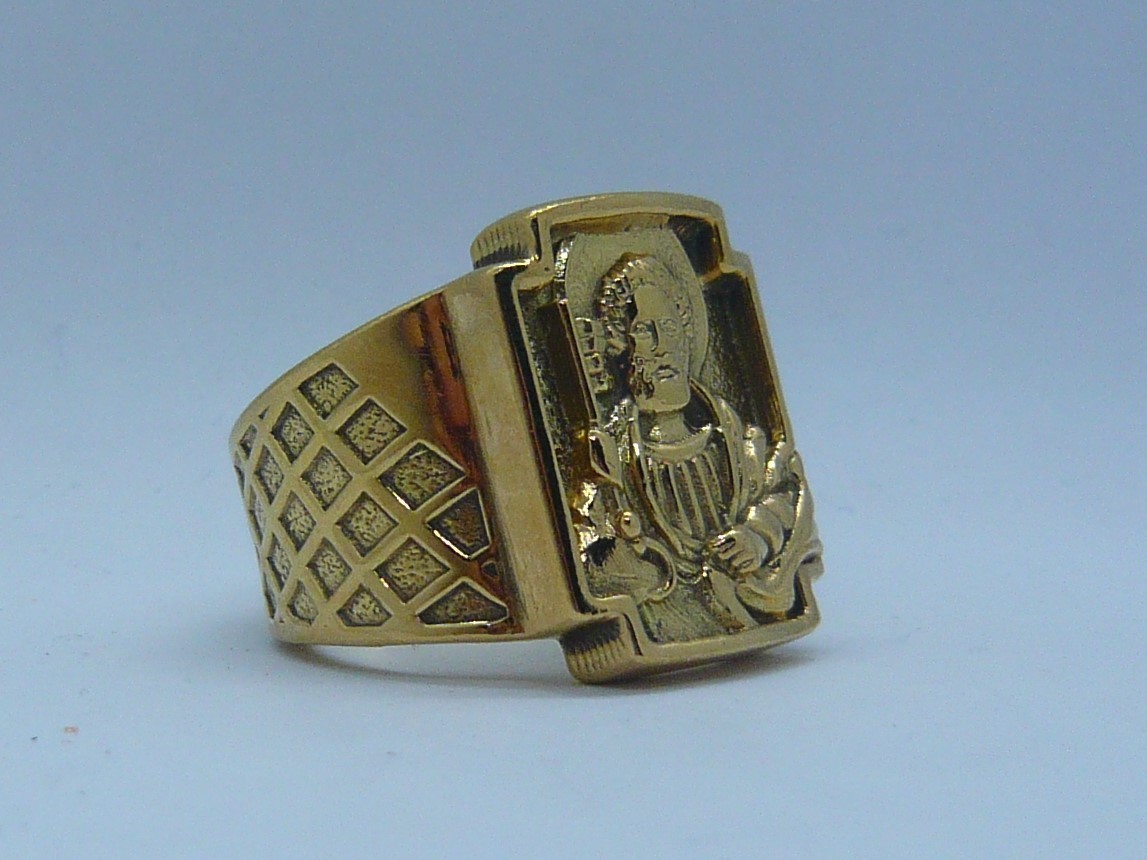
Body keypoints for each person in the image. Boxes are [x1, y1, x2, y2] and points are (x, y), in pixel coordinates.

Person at [571, 253, 805, 642]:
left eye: (669, 327)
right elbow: (594, 555)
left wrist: (758, 535)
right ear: (619, 345)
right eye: (644, 330)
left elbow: (787, 492)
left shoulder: (741, 442)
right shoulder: (608, 459)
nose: (662, 346)